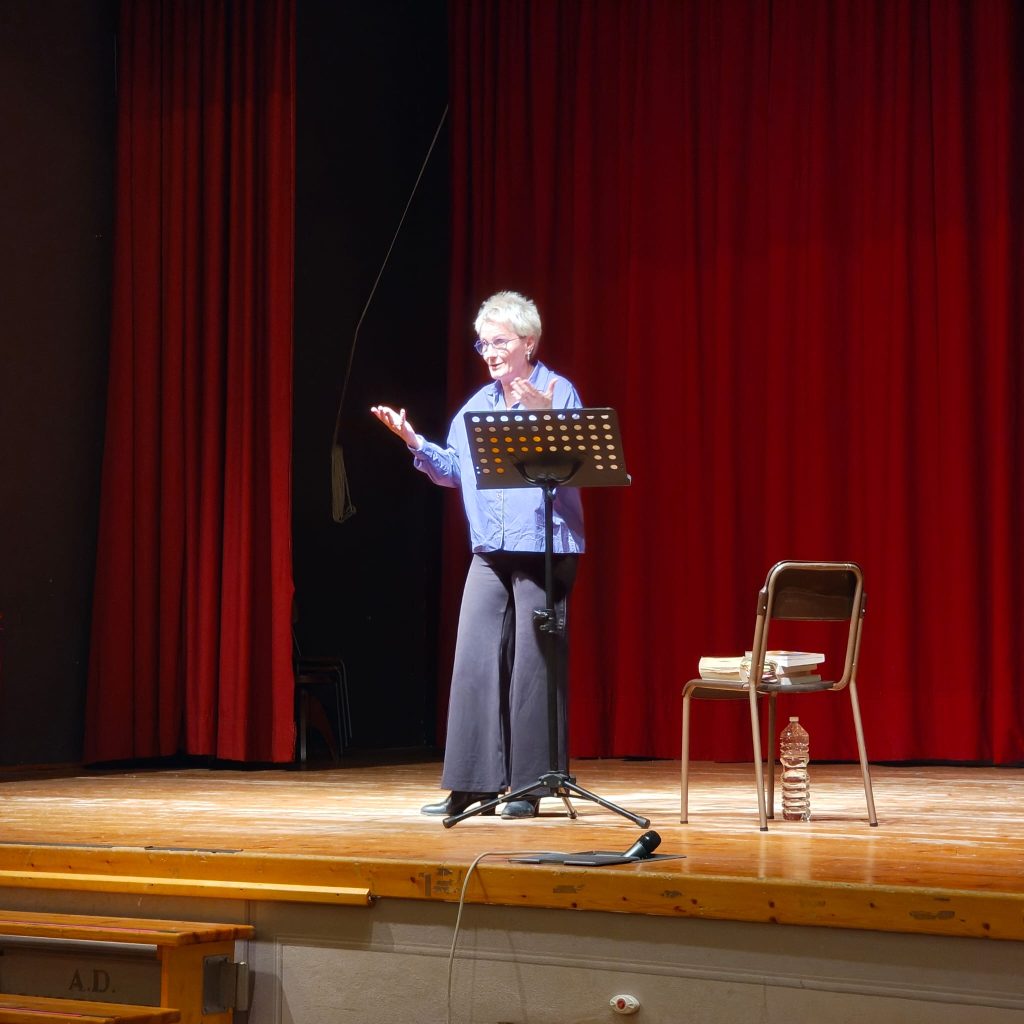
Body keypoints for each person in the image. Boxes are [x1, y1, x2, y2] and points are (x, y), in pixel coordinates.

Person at [371, 290, 584, 820]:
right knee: (473, 658)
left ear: (528, 343)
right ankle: (471, 785)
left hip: (543, 546)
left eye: (500, 342)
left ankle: (529, 787)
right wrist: (415, 442)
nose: (489, 353)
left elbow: (578, 464)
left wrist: (547, 419)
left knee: (533, 665)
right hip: (490, 548)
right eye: (483, 344)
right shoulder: (479, 405)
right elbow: (453, 471)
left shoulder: (558, 391)